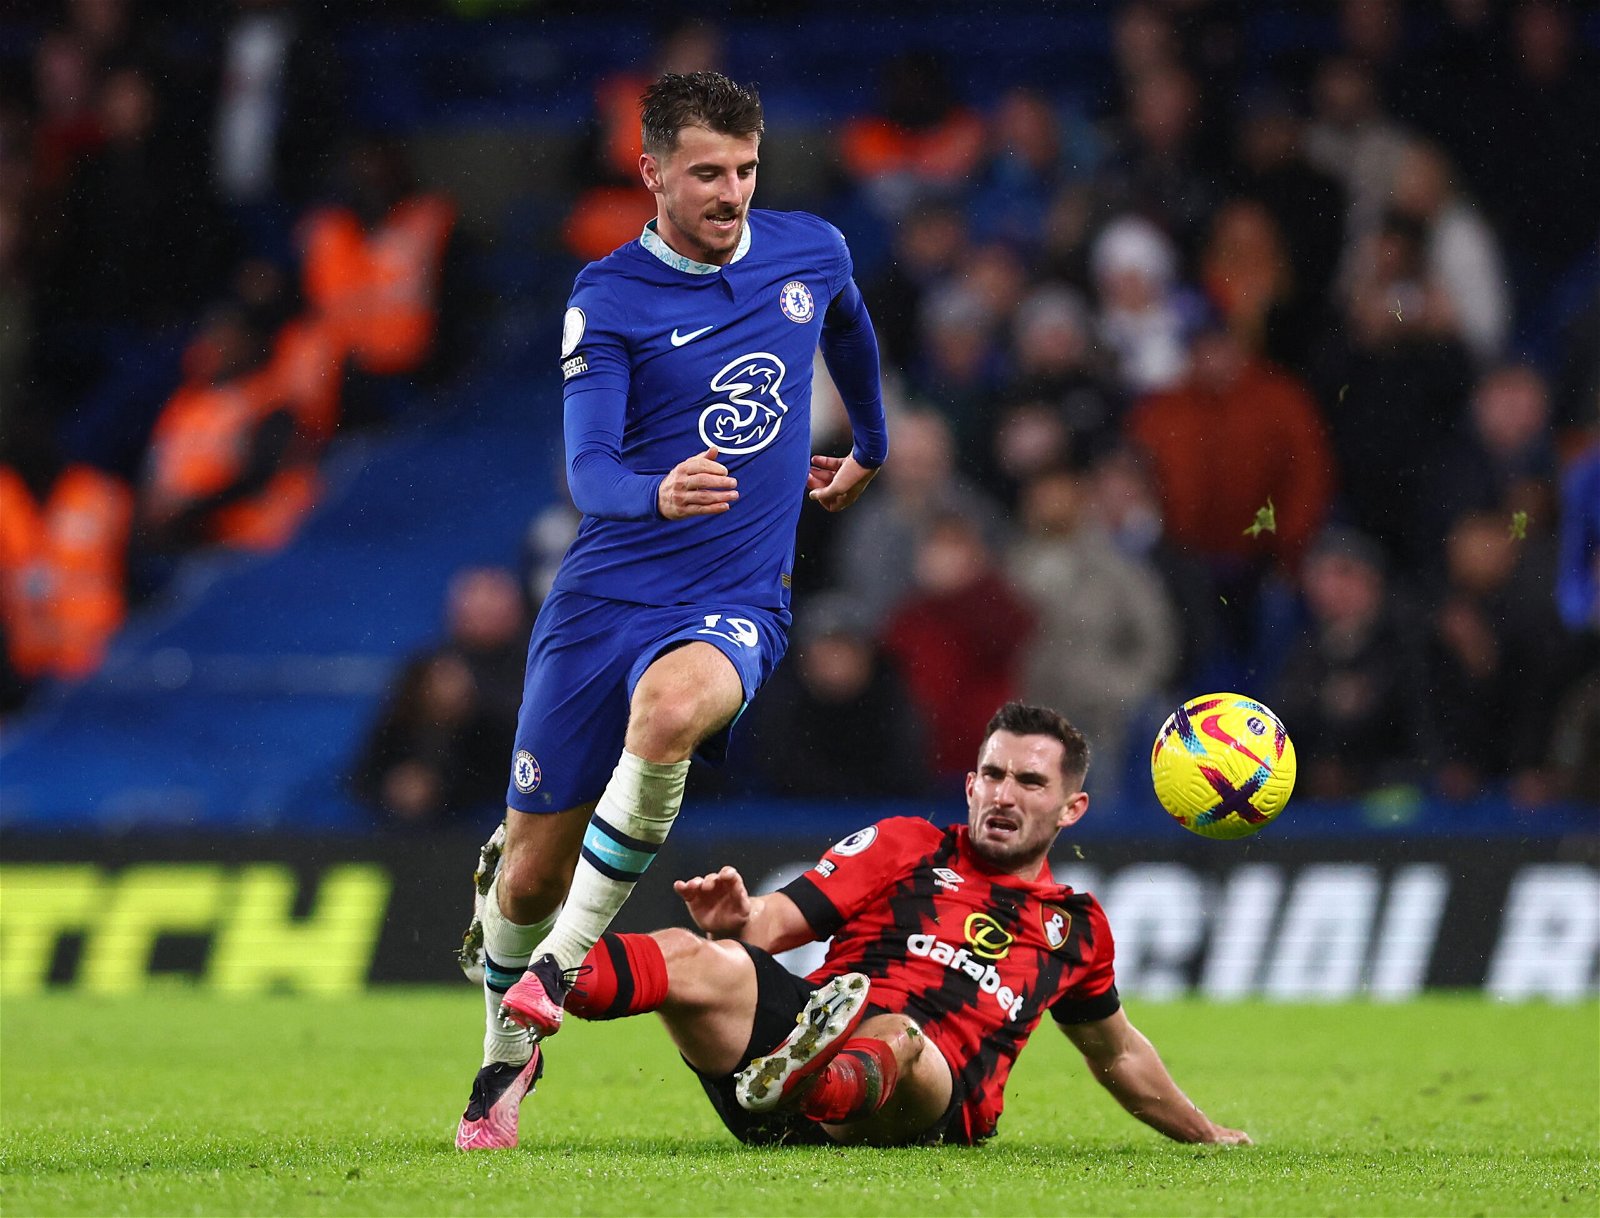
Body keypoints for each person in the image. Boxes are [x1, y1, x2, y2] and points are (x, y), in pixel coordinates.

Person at [455, 71, 889, 1151]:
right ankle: (505, 1058)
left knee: (669, 713)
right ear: (649, 171)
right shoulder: (607, 297)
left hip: (738, 594)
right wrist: (655, 488)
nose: (731, 192)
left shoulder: (810, 250)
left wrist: (870, 445)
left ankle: (559, 967)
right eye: (705, 173)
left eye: (745, 169)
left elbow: (854, 332)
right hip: (605, 599)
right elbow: (587, 469)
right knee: (527, 876)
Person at [526, 702, 1249, 1149]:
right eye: (992, 776)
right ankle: (542, 976)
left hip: (925, 1097)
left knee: (898, 1036)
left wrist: (1203, 1131)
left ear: (1072, 810)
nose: (1004, 795)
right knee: (695, 957)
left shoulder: (1075, 929)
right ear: (969, 786)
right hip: (804, 1038)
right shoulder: (907, 846)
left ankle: (815, 1082)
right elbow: (775, 924)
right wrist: (741, 920)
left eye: (1030, 783)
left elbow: (1117, 1054)